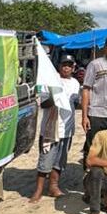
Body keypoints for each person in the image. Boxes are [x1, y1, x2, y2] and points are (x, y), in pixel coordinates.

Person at [30, 54, 80, 202]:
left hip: (67, 128)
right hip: (51, 128)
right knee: (45, 160)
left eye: (70, 65)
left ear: (73, 67)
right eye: (64, 64)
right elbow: (43, 104)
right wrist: (54, 97)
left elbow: (75, 104)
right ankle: (38, 190)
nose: (67, 68)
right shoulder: (51, 82)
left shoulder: (75, 83)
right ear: (59, 66)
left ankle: (53, 186)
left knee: (60, 160)